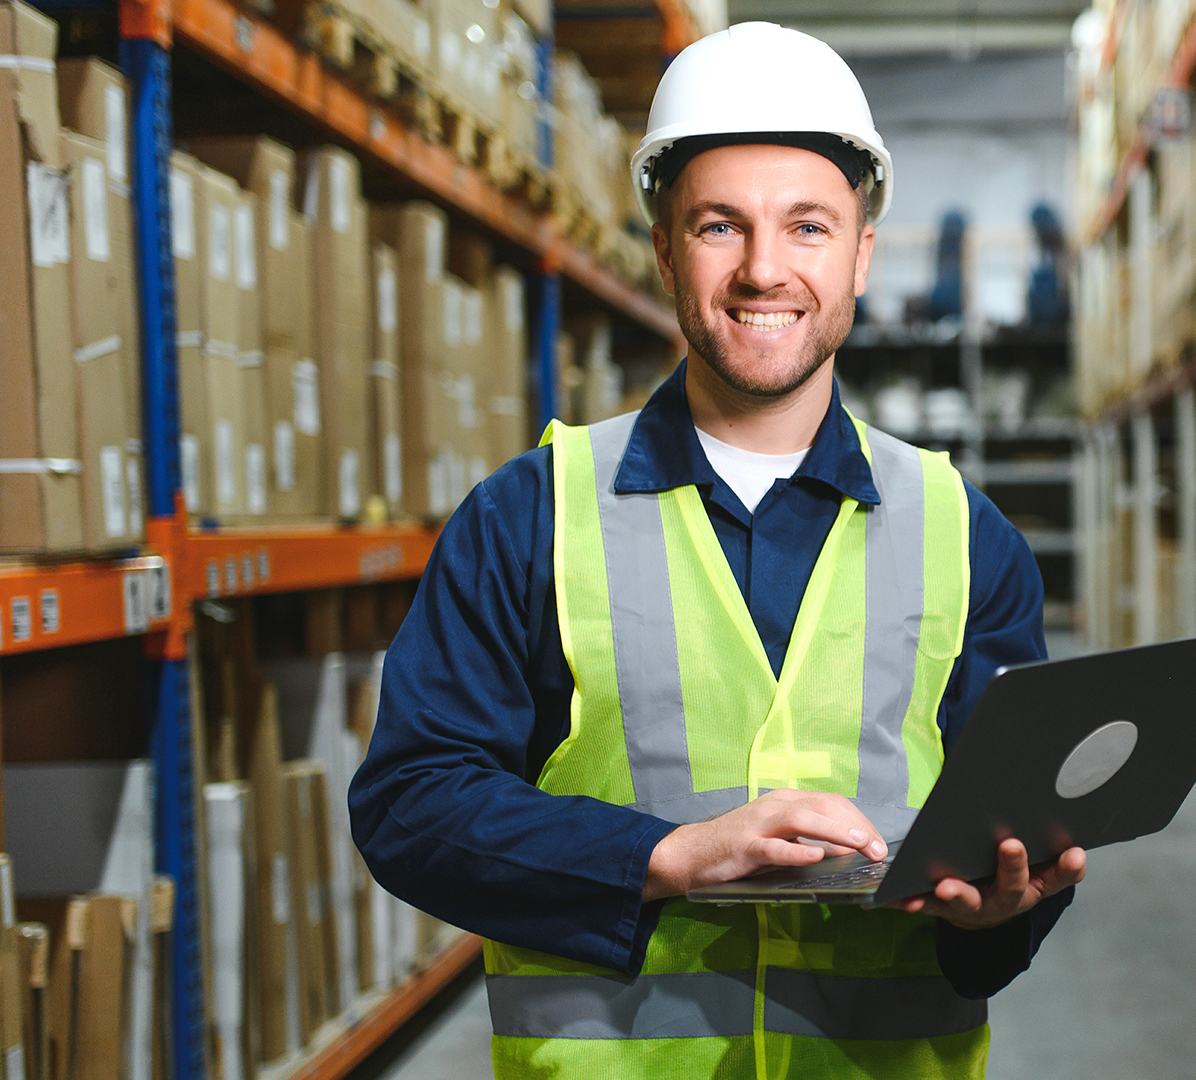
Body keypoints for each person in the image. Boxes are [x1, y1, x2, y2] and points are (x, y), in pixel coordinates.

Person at [349, 21, 1085, 1080]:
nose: (763, 270)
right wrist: (662, 858)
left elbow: (1007, 836)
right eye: (718, 227)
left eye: (808, 228)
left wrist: (999, 913)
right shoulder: (529, 516)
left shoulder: (965, 533)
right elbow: (411, 804)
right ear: (663, 249)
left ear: (863, 253)